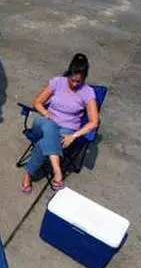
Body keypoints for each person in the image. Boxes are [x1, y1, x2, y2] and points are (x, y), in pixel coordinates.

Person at [21, 53, 99, 192]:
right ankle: (57, 170)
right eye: (72, 80)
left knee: (43, 144)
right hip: (43, 124)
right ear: (68, 74)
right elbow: (37, 102)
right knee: (49, 125)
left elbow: (94, 122)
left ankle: (28, 174)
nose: (74, 84)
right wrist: (46, 113)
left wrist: (74, 135)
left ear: (84, 79)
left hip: (66, 130)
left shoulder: (87, 92)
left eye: (79, 82)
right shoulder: (57, 82)